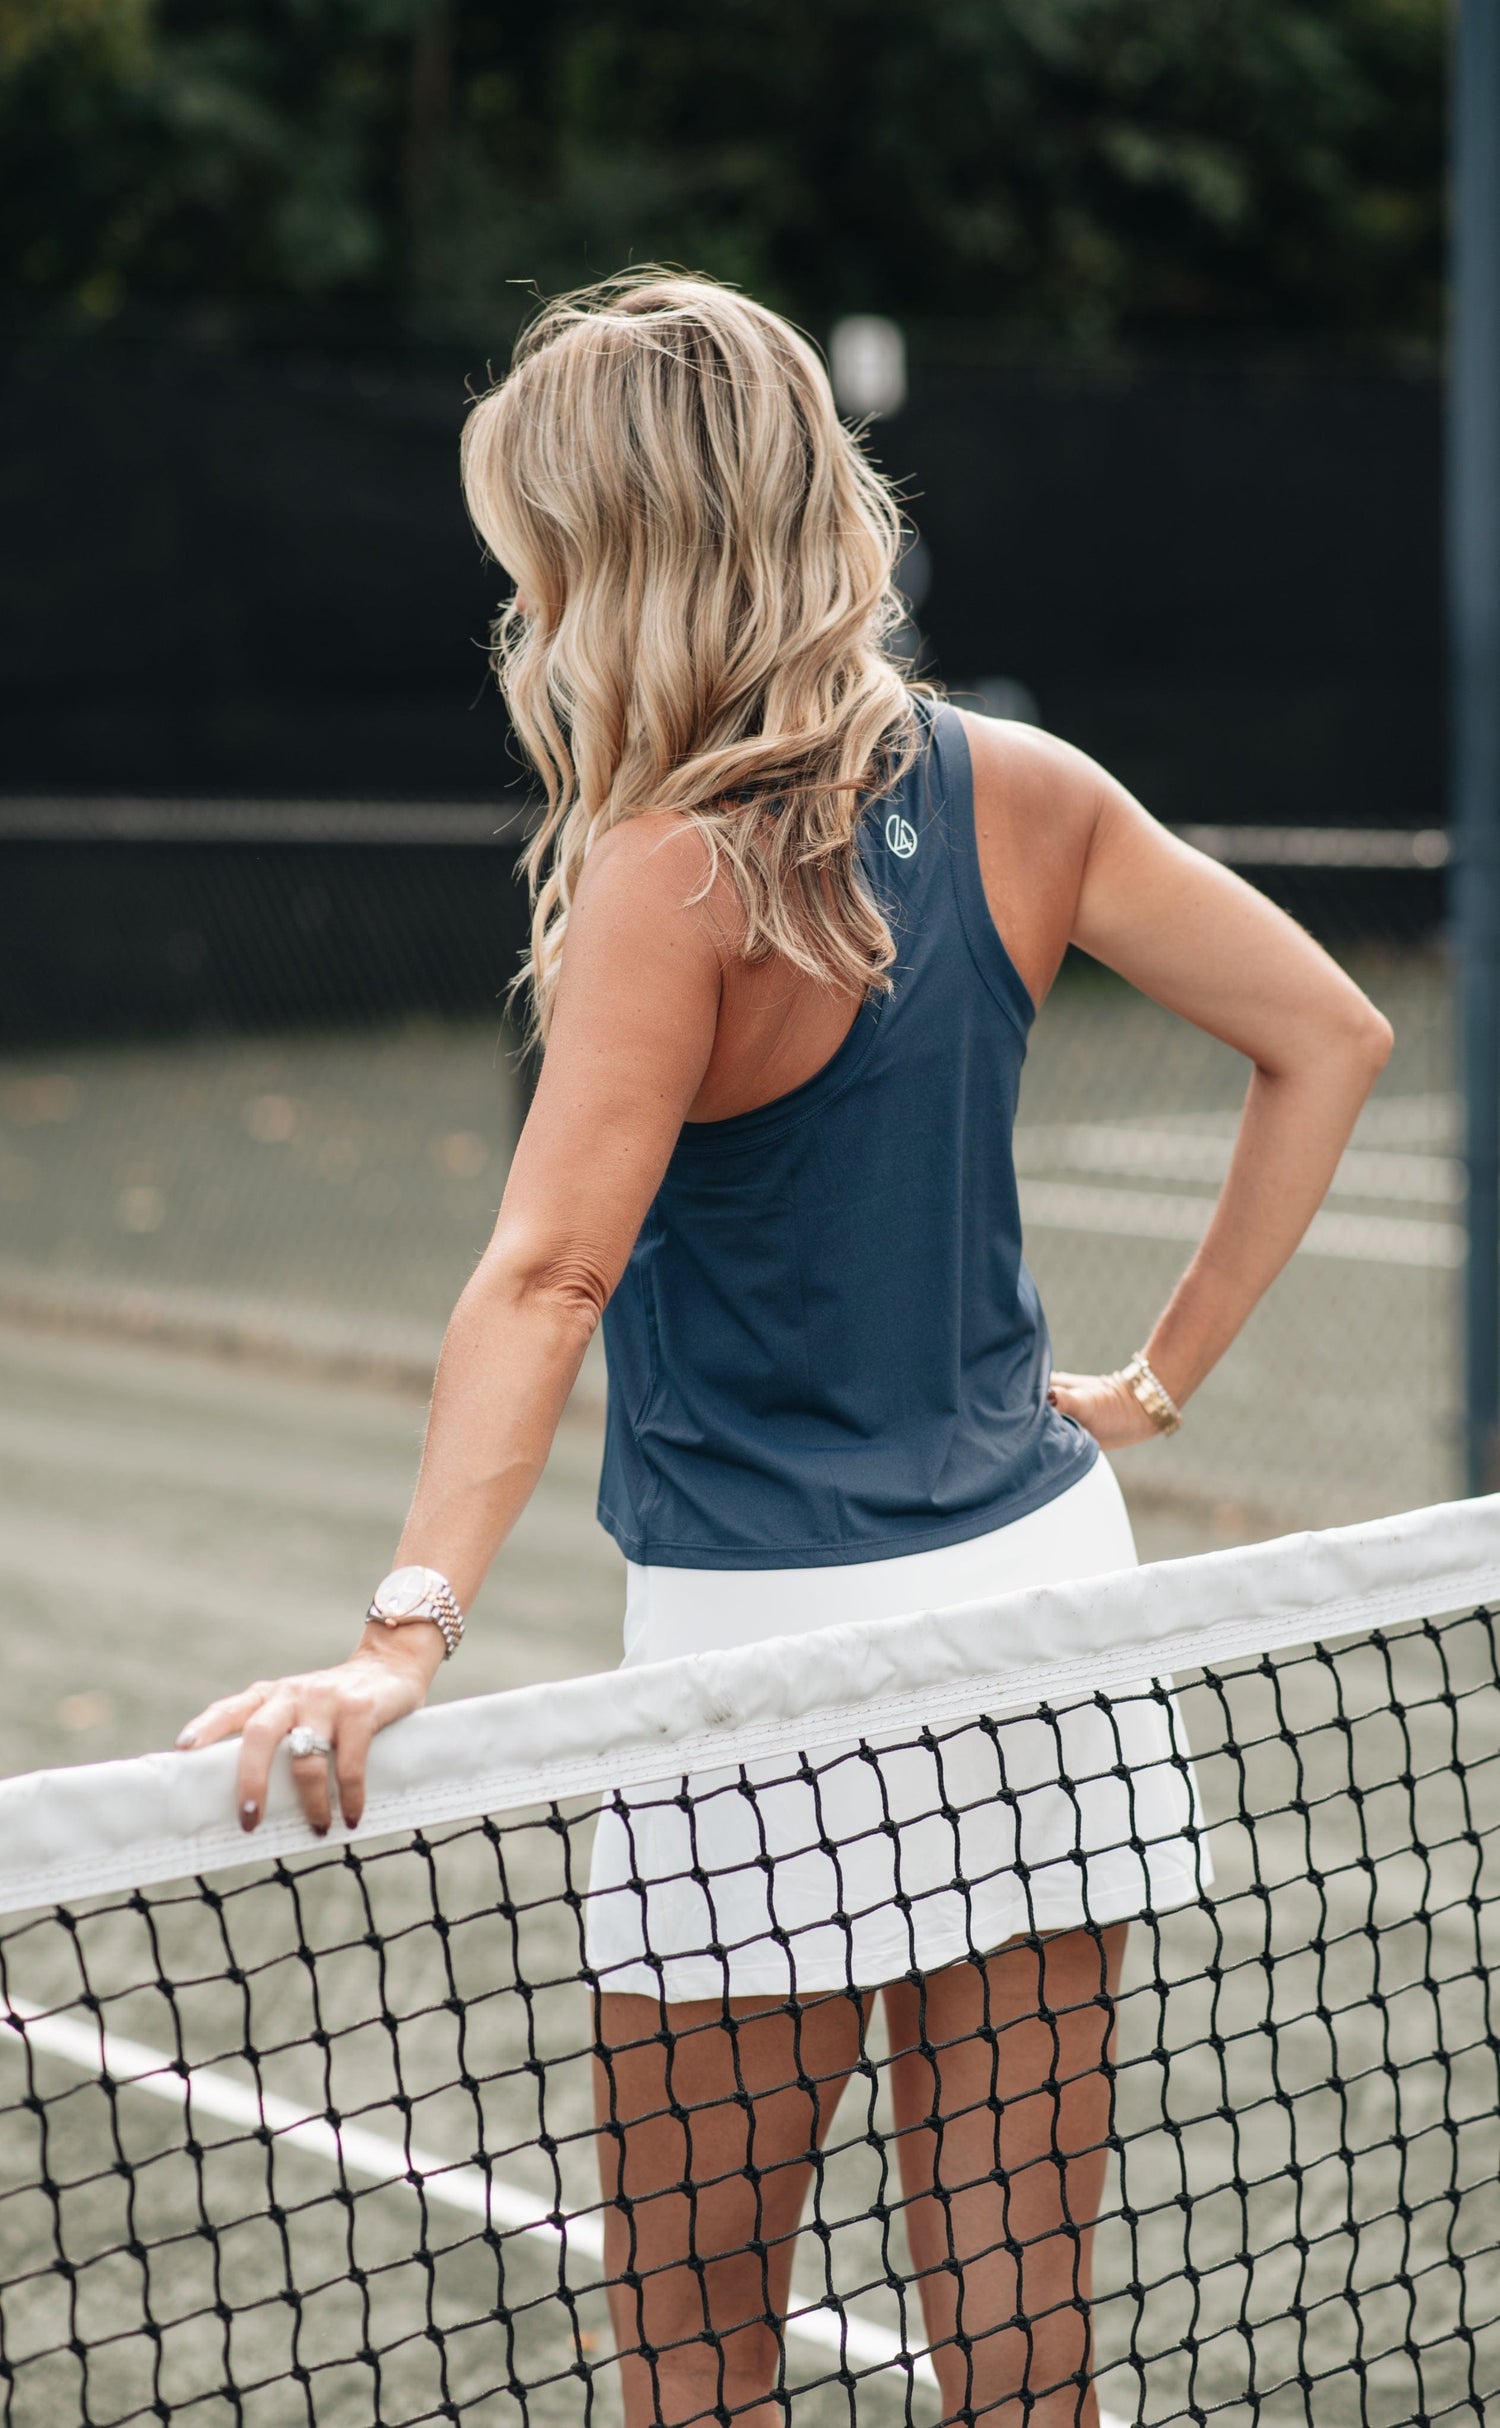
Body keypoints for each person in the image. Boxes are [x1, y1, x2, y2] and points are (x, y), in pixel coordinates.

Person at [176, 272, 1393, 2427]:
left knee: (693, 2354)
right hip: (1050, 1615)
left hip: (762, 1678)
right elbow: (1332, 1032)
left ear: (607, 550)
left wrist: (399, 1634)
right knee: (1019, 2353)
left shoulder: (668, 872)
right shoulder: (1023, 788)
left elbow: (546, 1277)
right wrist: (1158, 1382)